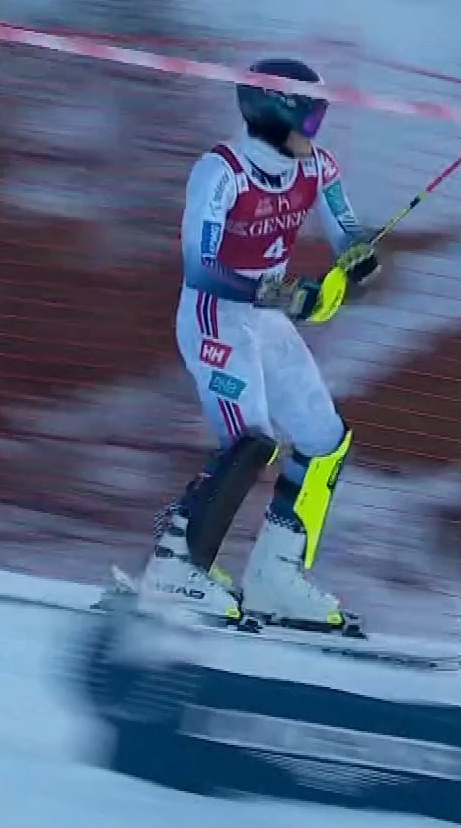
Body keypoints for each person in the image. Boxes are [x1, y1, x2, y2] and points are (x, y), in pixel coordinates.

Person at [124, 57, 381, 632]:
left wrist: (359, 259)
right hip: (216, 316)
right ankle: (176, 566)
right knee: (252, 439)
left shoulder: (317, 169)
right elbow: (202, 268)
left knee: (324, 438)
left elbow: (347, 232)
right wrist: (286, 295)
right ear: (271, 116)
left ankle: (275, 576)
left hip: (265, 321)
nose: (317, 132)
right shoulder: (222, 173)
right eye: (311, 120)